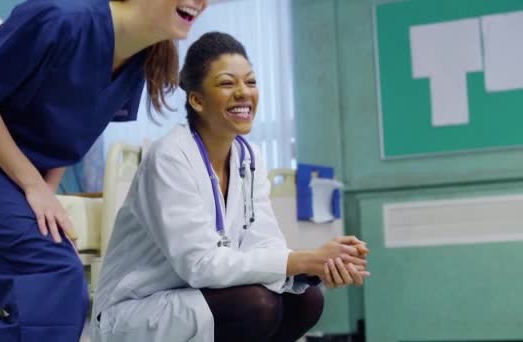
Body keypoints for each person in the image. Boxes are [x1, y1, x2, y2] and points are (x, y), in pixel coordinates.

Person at [0, 0, 207, 340]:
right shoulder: (60, 18)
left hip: (8, 170)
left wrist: (46, 197)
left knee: (62, 274)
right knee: (52, 271)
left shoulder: (139, 60)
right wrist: (33, 188)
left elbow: (68, 137)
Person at [91, 32, 370, 342]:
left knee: (306, 301)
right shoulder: (169, 156)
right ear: (196, 99)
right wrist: (302, 258)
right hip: (139, 307)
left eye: (250, 82)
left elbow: (264, 243)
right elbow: (199, 265)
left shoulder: (249, 158)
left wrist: (316, 266)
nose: (243, 93)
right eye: (227, 83)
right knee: (257, 305)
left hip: (198, 297)